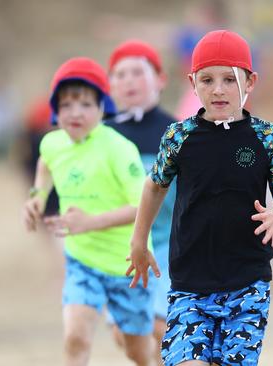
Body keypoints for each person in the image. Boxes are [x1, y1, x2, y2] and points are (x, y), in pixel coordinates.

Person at [127, 30, 273, 366]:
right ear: (192, 83)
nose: (218, 89)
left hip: (248, 284)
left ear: (250, 82)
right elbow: (154, 186)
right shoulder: (179, 137)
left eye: (229, 80)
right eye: (207, 80)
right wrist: (138, 240)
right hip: (189, 284)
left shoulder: (267, 137)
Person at [21, 57, 155, 365]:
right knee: (75, 337)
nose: (75, 113)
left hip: (128, 264)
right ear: (56, 110)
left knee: (137, 351)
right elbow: (45, 165)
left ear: (102, 107)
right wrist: (37, 198)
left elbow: (142, 207)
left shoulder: (120, 149)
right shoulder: (52, 143)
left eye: (84, 104)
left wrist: (89, 223)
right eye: (66, 105)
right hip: (82, 262)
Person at [105, 39, 176, 364]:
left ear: (160, 80)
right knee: (125, 336)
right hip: (118, 248)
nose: (129, 81)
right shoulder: (101, 136)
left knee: (161, 327)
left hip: (167, 246)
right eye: (120, 74)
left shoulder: (177, 133)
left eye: (137, 72)